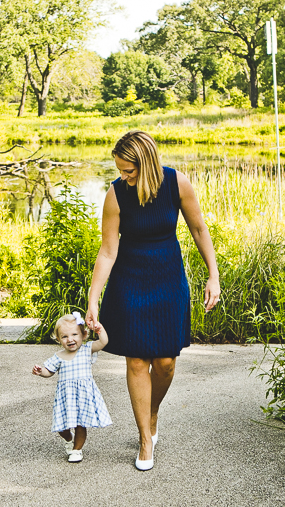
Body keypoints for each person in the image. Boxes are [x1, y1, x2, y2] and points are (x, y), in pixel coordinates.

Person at [85, 130, 221, 471]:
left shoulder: (177, 184)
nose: (123, 176)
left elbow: (199, 230)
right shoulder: (116, 195)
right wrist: (93, 298)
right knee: (136, 362)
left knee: (165, 363)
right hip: (130, 282)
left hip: (167, 278)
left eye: (129, 171)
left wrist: (213, 275)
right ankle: (145, 437)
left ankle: (152, 410)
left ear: (146, 164)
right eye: (120, 170)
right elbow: (107, 250)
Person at [32, 311, 112, 463]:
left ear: (83, 334)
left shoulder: (87, 350)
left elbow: (103, 343)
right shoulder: (58, 356)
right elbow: (49, 371)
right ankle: (69, 439)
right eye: (64, 336)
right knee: (62, 428)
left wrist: (100, 330)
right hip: (66, 398)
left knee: (80, 425)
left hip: (83, 396)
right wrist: (40, 371)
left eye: (75, 334)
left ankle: (77, 450)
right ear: (58, 339)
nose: (70, 339)